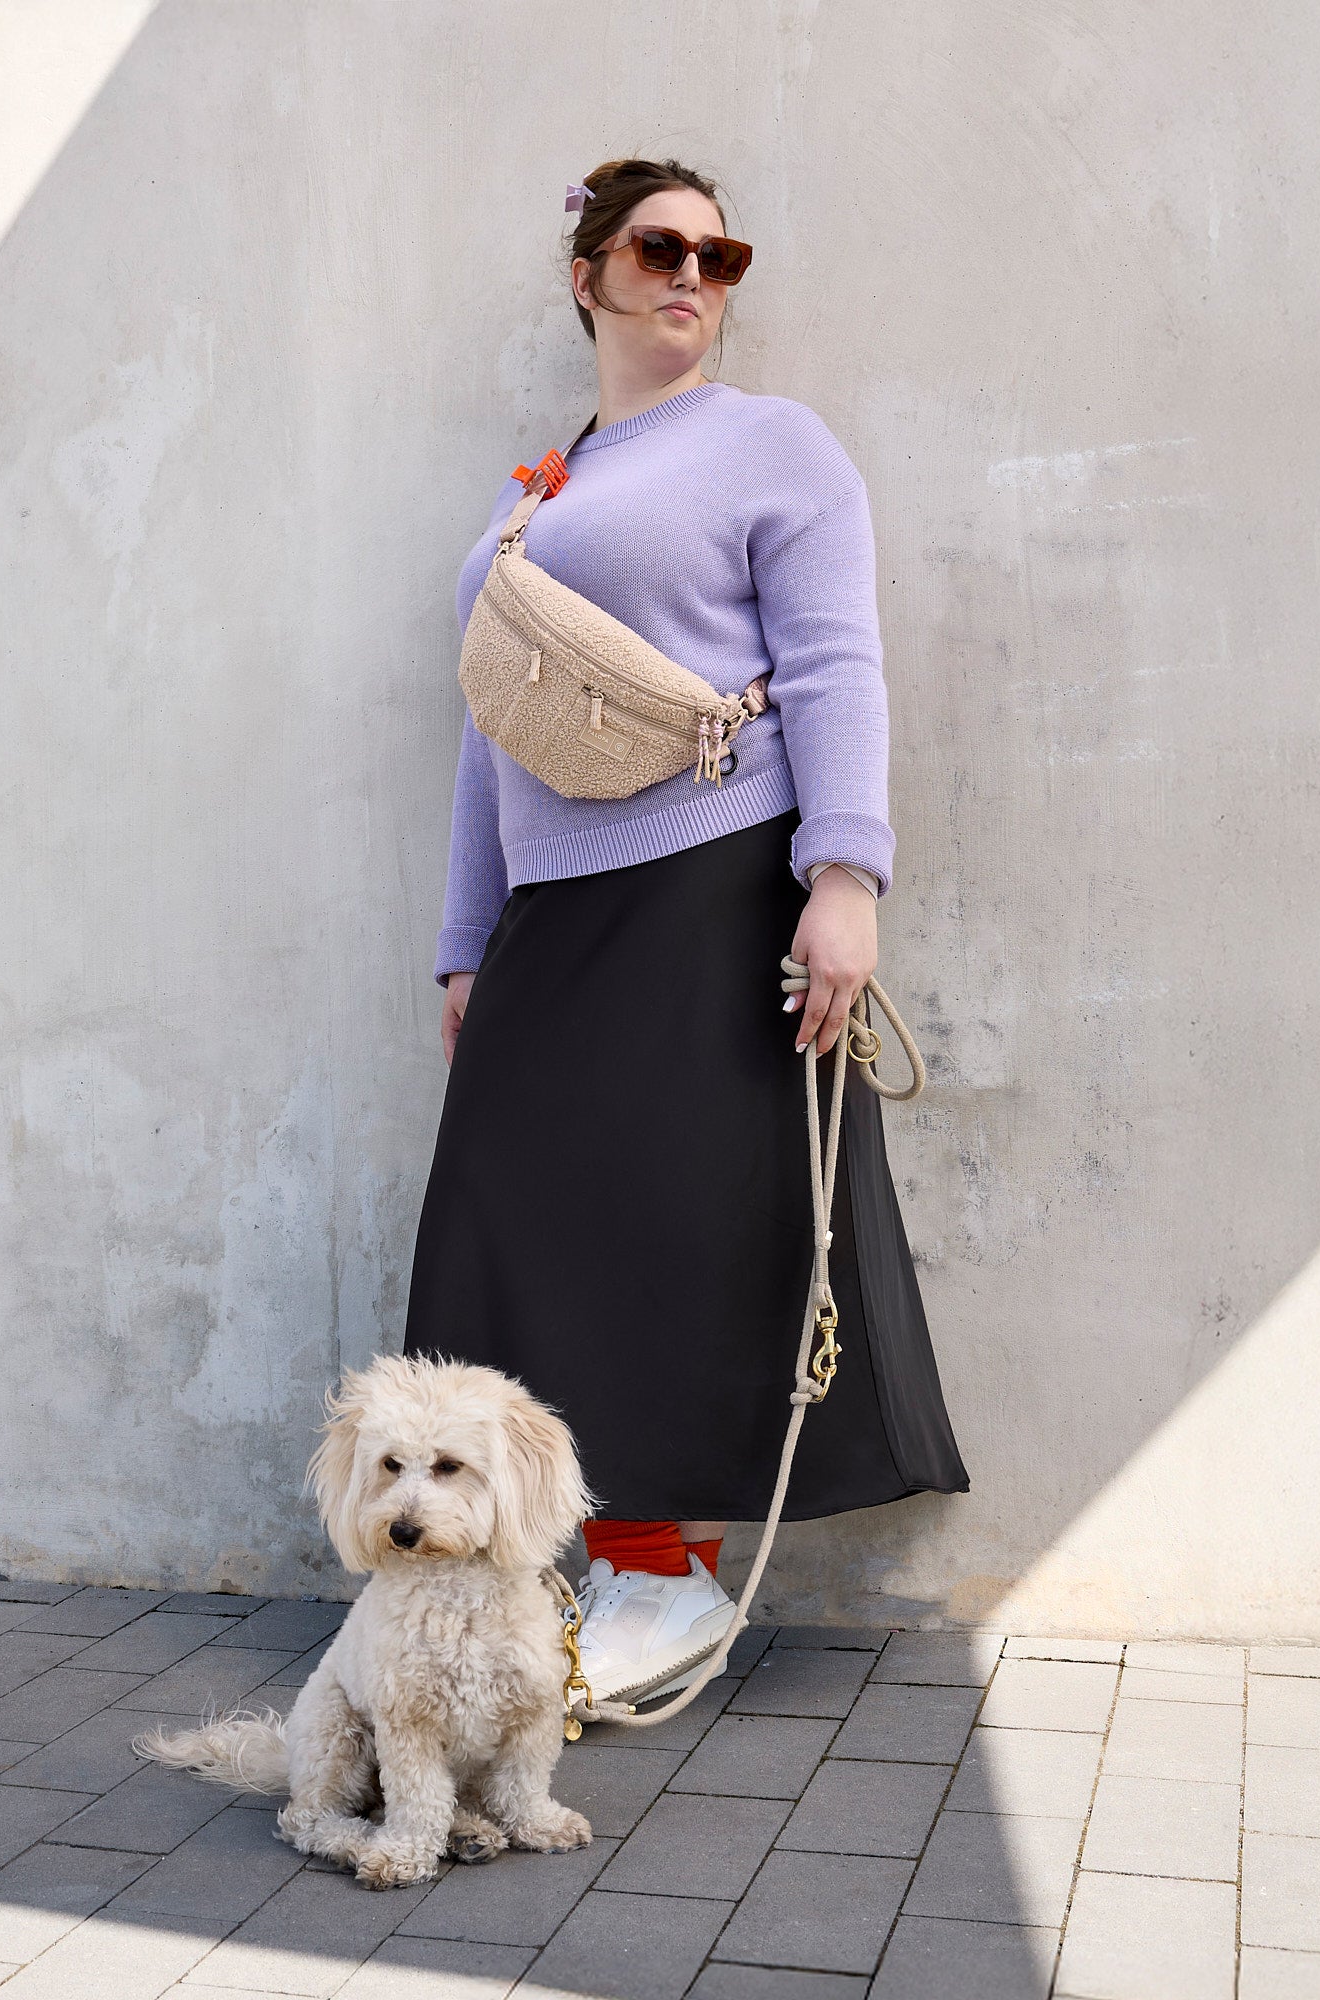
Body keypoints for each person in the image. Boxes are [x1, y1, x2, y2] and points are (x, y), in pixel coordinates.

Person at [404, 157, 968, 1709]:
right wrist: (470, 938)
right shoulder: (545, 486)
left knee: (680, 1231)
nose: (694, 279)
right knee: (520, 1234)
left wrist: (843, 875)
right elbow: (487, 731)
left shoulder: (772, 447)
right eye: (662, 248)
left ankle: (667, 1575)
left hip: (713, 882)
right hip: (554, 916)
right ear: (584, 274)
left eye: (721, 258)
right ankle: (567, 1556)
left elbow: (838, 664)